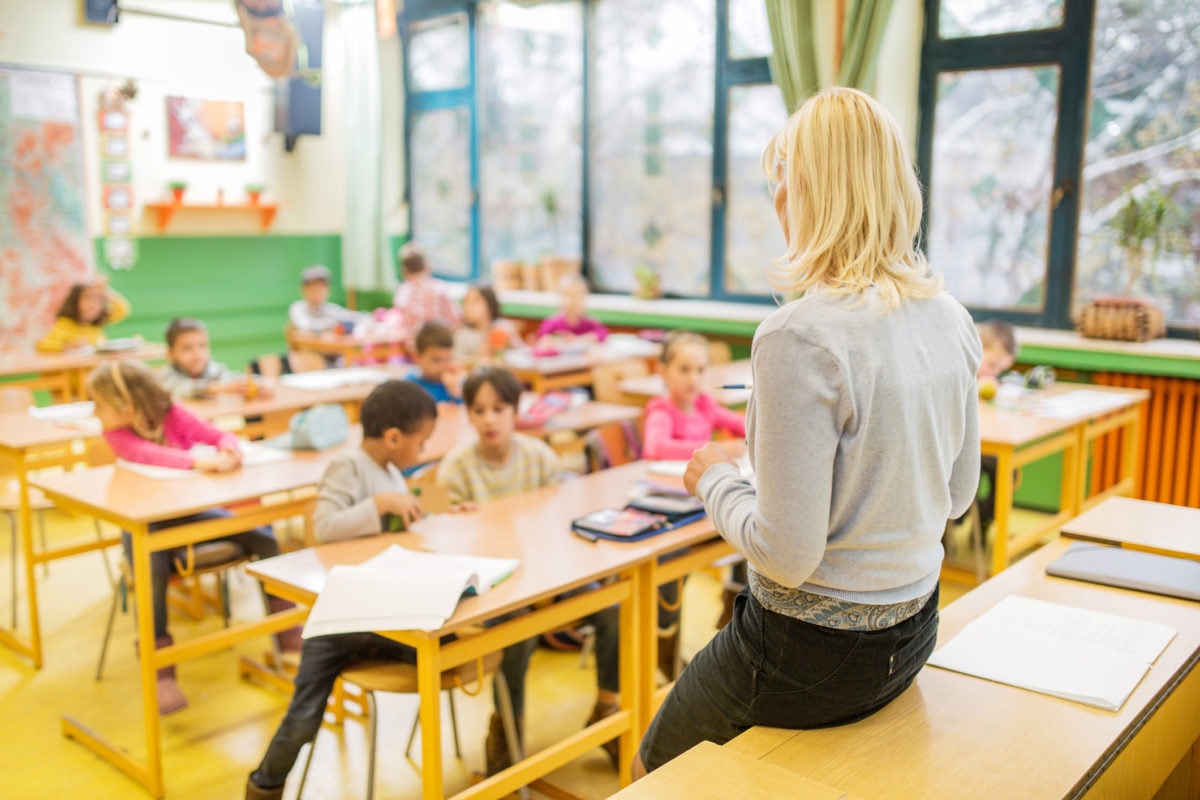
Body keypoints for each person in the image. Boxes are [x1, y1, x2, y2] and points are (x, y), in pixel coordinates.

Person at [633, 87, 981, 777]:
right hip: (914, 633)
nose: (777, 199)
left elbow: (787, 558)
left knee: (655, 766)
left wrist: (716, 483)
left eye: (783, 180)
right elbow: (959, 496)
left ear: (814, 194)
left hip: (809, 652)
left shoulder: (798, 335)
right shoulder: (950, 317)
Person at [244, 380, 438, 800]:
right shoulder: (349, 465)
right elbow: (327, 528)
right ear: (393, 437)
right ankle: (264, 787)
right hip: (338, 619)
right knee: (302, 720)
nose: (421, 453)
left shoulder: (392, 474)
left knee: (452, 647)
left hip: (384, 616)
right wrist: (383, 505)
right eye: (421, 444)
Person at [437, 366, 622, 774]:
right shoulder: (456, 470)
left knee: (612, 608)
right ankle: (506, 727)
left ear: (514, 410)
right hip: (493, 589)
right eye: (479, 410)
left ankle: (608, 712)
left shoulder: (538, 456)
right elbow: (448, 545)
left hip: (549, 575)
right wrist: (457, 520)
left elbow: (565, 514)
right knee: (516, 631)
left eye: (498, 408)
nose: (488, 419)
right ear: (468, 414)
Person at [87, 360, 299, 716]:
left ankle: (288, 633)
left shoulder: (171, 415)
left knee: (265, 538)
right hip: (145, 526)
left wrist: (229, 447)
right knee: (151, 567)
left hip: (191, 515)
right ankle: (162, 671)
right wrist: (198, 463)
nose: (95, 413)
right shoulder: (116, 435)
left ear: (126, 406)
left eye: (99, 405)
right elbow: (148, 454)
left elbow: (215, 434)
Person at [640, 329, 747, 677]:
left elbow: (737, 423)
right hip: (667, 507)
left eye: (700, 370)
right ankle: (663, 646)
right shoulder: (661, 409)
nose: (693, 378)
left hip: (697, 507)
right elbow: (655, 448)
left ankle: (733, 605)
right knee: (672, 568)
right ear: (664, 372)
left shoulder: (704, 404)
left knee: (746, 523)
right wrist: (715, 450)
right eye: (684, 369)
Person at [159, 317, 255, 400]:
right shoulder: (166, 374)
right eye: (187, 348)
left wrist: (258, 384)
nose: (196, 354)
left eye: (202, 346)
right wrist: (213, 388)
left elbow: (232, 379)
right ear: (171, 353)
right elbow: (179, 389)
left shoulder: (214, 369)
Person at [391, 242, 461, 349]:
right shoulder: (440, 288)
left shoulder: (403, 292)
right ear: (427, 266)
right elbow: (455, 320)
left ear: (404, 271)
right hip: (441, 344)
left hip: (415, 348)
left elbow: (401, 323)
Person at [36, 277, 131, 352]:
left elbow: (122, 310)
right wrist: (69, 345)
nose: (93, 304)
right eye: (88, 298)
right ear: (74, 302)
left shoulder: (95, 326)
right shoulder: (66, 324)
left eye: (98, 299)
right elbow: (43, 345)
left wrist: (105, 292)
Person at [535, 274, 608, 347]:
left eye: (577, 295)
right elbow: (541, 340)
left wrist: (578, 339)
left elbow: (602, 335)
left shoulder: (591, 323)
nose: (572, 300)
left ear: (585, 296)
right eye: (567, 294)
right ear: (561, 296)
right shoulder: (551, 323)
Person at [288, 264, 363, 335]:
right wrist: (332, 323)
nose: (318, 293)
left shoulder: (330, 308)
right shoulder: (298, 308)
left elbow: (350, 316)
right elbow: (306, 326)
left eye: (322, 288)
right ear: (304, 289)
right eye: (313, 288)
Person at [454, 283, 516, 365]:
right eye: (466, 302)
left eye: (475, 301)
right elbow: (457, 362)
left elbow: (520, 354)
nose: (469, 307)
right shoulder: (463, 335)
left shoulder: (504, 326)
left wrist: (511, 344)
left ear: (490, 304)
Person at [408, 321, 464, 404]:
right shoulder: (410, 385)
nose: (443, 366)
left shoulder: (454, 382)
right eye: (436, 360)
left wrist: (454, 390)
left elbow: (465, 411)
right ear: (417, 357)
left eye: (448, 359)